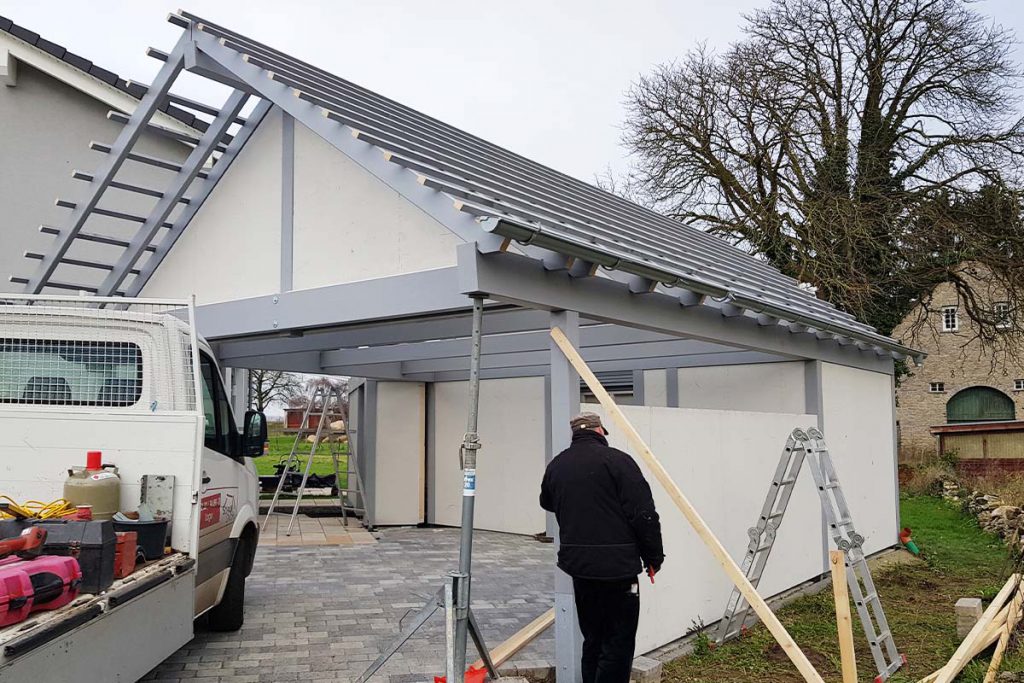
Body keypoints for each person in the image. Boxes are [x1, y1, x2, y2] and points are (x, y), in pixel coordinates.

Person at [539, 412, 665, 683]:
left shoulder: (557, 465)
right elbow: (644, 513)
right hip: (619, 571)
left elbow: (547, 502)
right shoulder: (619, 461)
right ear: (600, 432)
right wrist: (654, 557)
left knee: (593, 639)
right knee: (617, 643)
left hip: (580, 569)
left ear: (575, 434)